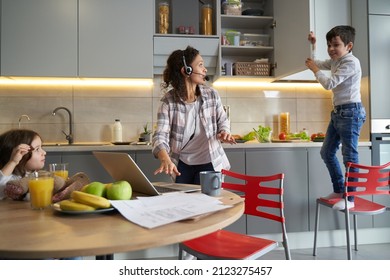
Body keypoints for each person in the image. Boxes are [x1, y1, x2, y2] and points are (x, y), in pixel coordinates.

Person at [152, 45, 236, 184]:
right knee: (185, 203)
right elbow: (160, 135)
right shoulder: (168, 102)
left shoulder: (211, 95)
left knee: (209, 203)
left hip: (210, 161)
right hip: (183, 164)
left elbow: (223, 120)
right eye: (200, 65)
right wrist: (165, 159)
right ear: (187, 70)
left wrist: (224, 132)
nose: (205, 69)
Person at [305, 25, 366, 210]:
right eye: (329, 45)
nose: (331, 49)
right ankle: (340, 190)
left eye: (336, 45)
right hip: (339, 113)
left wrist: (315, 70)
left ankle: (350, 199)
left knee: (350, 157)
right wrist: (313, 45)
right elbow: (313, 61)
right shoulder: (336, 60)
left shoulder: (351, 62)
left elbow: (329, 83)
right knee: (327, 153)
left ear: (348, 46)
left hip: (351, 112)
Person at [0, 129, 46, 200]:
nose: (44, 152)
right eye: (37, 149)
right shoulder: (10, 180)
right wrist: (13, 162)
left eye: (41, 148)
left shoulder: (33, 175)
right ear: (20, 154)